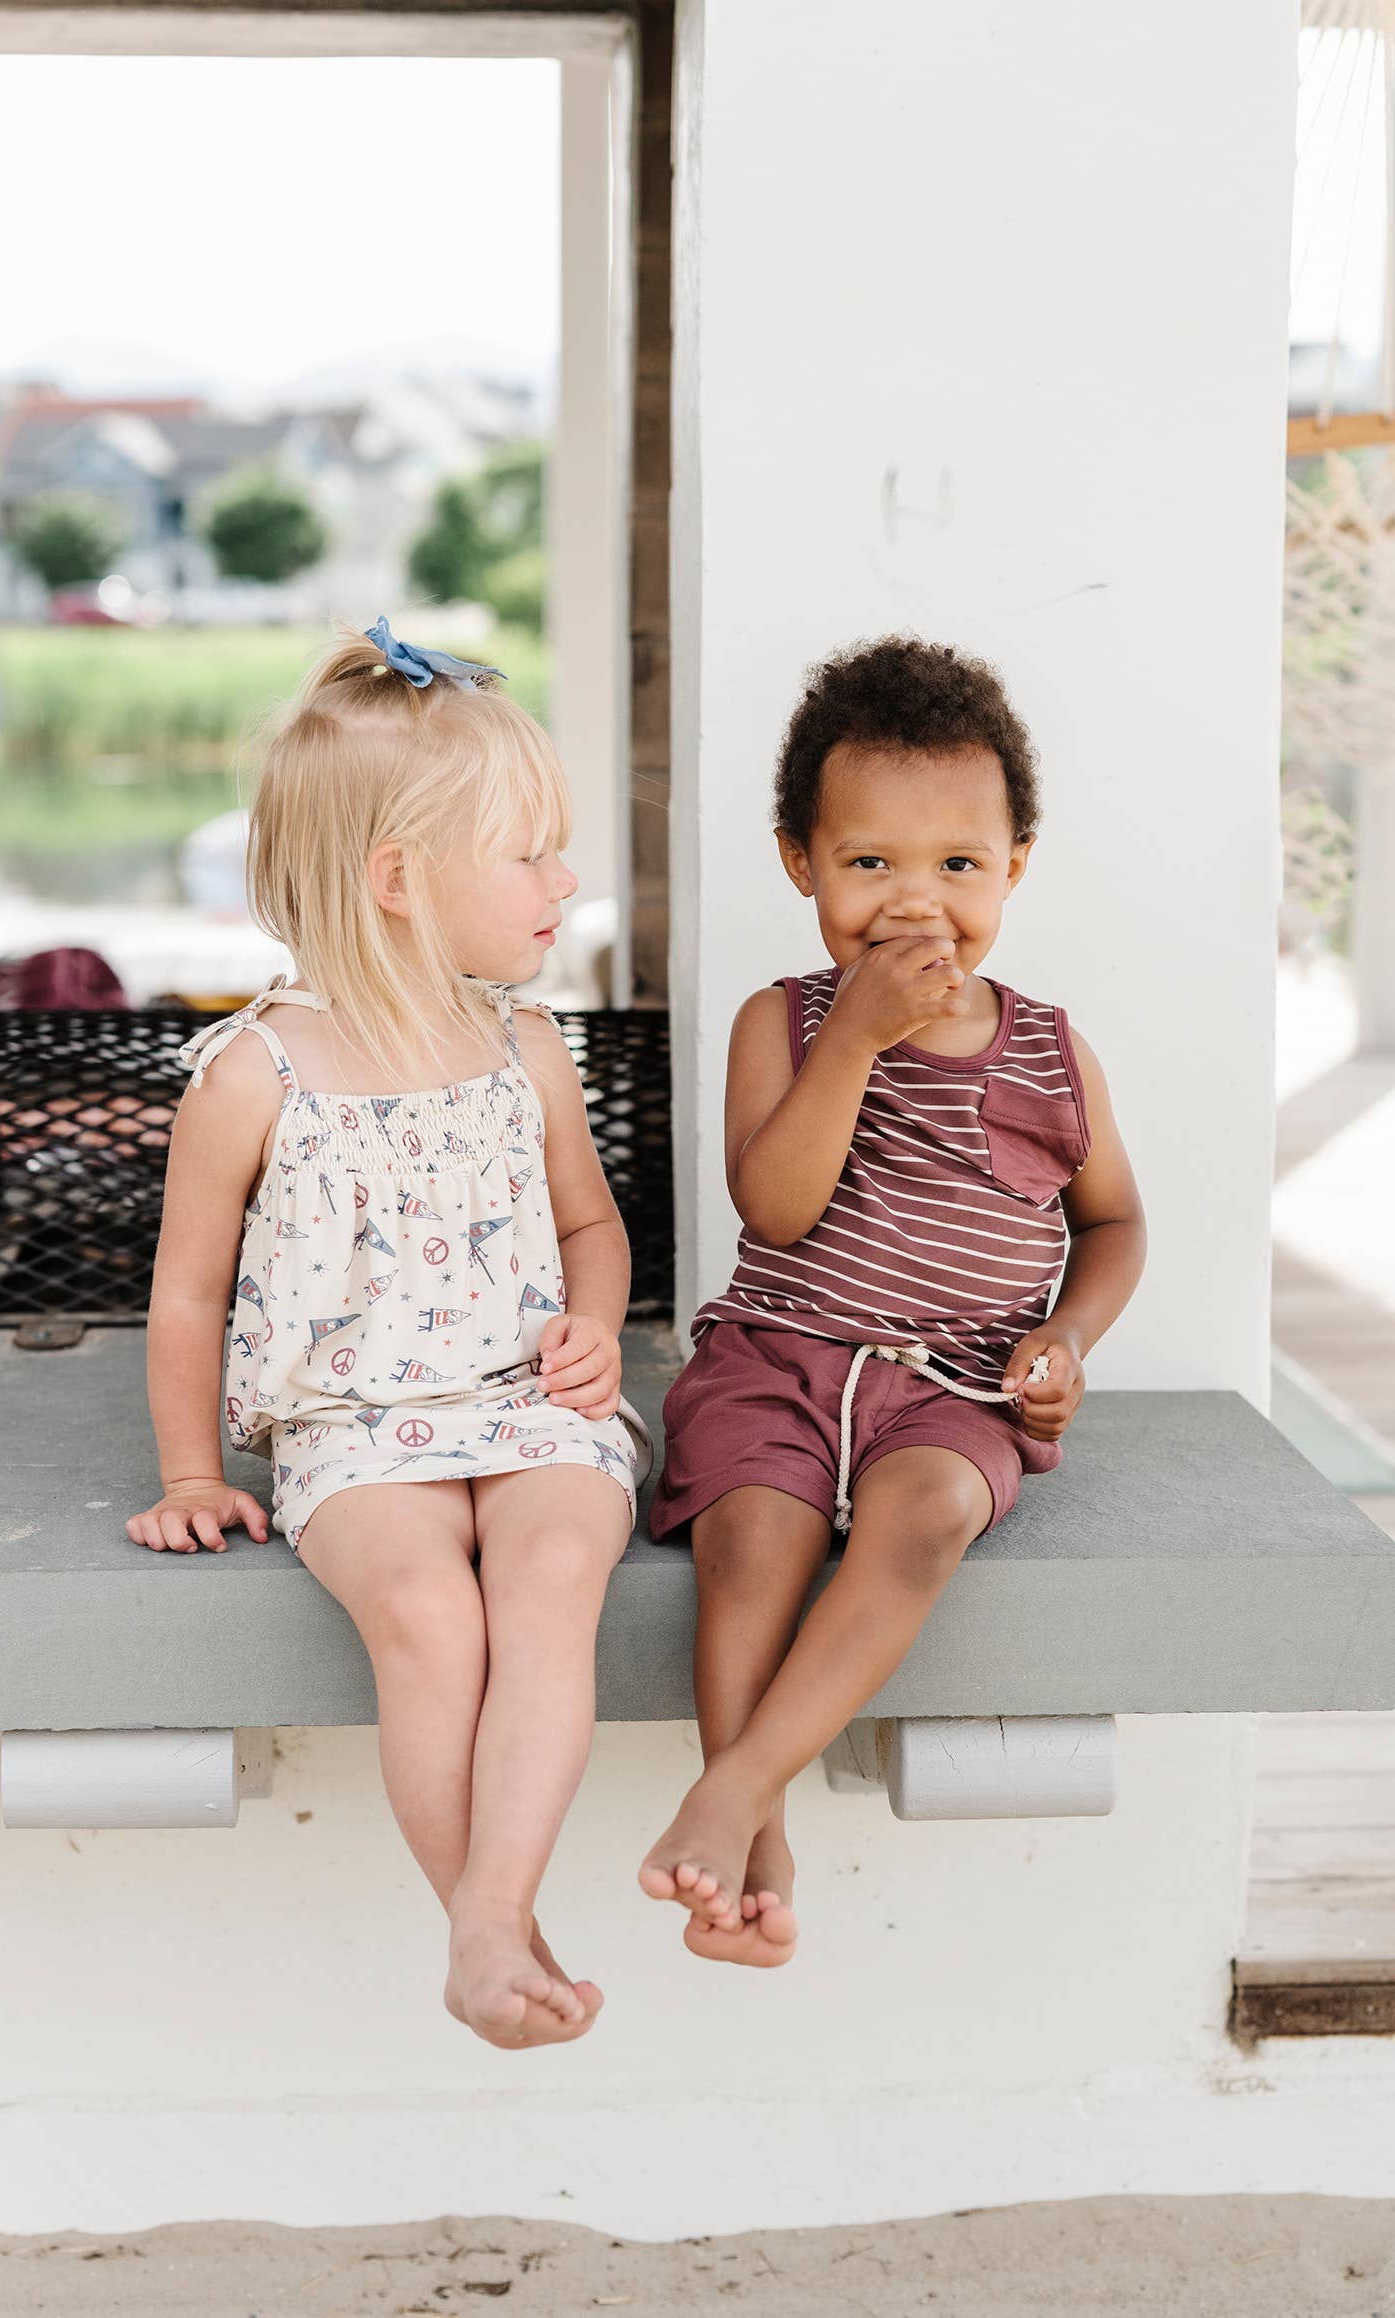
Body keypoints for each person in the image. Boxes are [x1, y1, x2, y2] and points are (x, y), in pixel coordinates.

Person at [128, 619, 646, 2050]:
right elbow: (186, 1294)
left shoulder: (523, 1045)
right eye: (530, 851)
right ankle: (491, 1930)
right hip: (351, 1427)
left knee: (549, 1571)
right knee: (426, 1614)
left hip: (527, 1403)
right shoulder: (254, 1072)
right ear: (398, 881)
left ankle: (489, 1925)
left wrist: (594, 1332)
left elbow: (590, 1228)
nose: (567, 879)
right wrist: (189, 1472)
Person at [639, 637, 1146, 1967]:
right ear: (799, 860)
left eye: (957, 865)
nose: (912, 901)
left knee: (924, 1521)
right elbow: (778, 1210)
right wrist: (857, 1039)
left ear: (1014, 864)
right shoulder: (788, 1023)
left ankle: (736, 1789)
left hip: (957, 1383)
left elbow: (1112, 1222)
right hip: (779, 1358)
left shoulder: (1048, 1047)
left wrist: (1064, 1338)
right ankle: (754, 1839)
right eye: (868, 864)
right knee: (753, 1537)